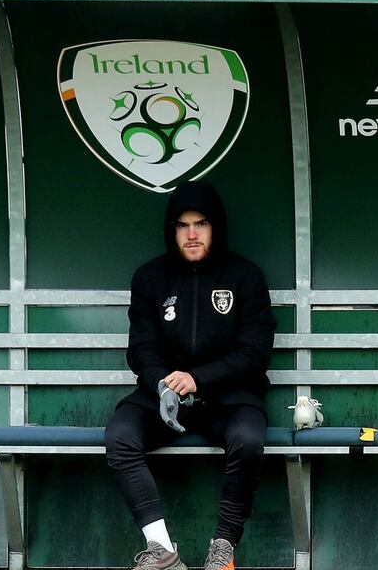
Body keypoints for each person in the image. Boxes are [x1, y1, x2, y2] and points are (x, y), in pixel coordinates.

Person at [105, 181, 277, 570]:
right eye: (183, 225)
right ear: (172, 230)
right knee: (119, 436)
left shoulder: (245, 277)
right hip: (164, 399)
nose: (193, 233)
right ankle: (162, 550)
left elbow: (255, 353)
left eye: (201, 223)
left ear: (216, 227)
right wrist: (164, 383)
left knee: (248, 440)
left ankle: (223, 551)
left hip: (230, 398)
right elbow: (141, 350)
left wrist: (197, 378)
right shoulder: (150, 277)